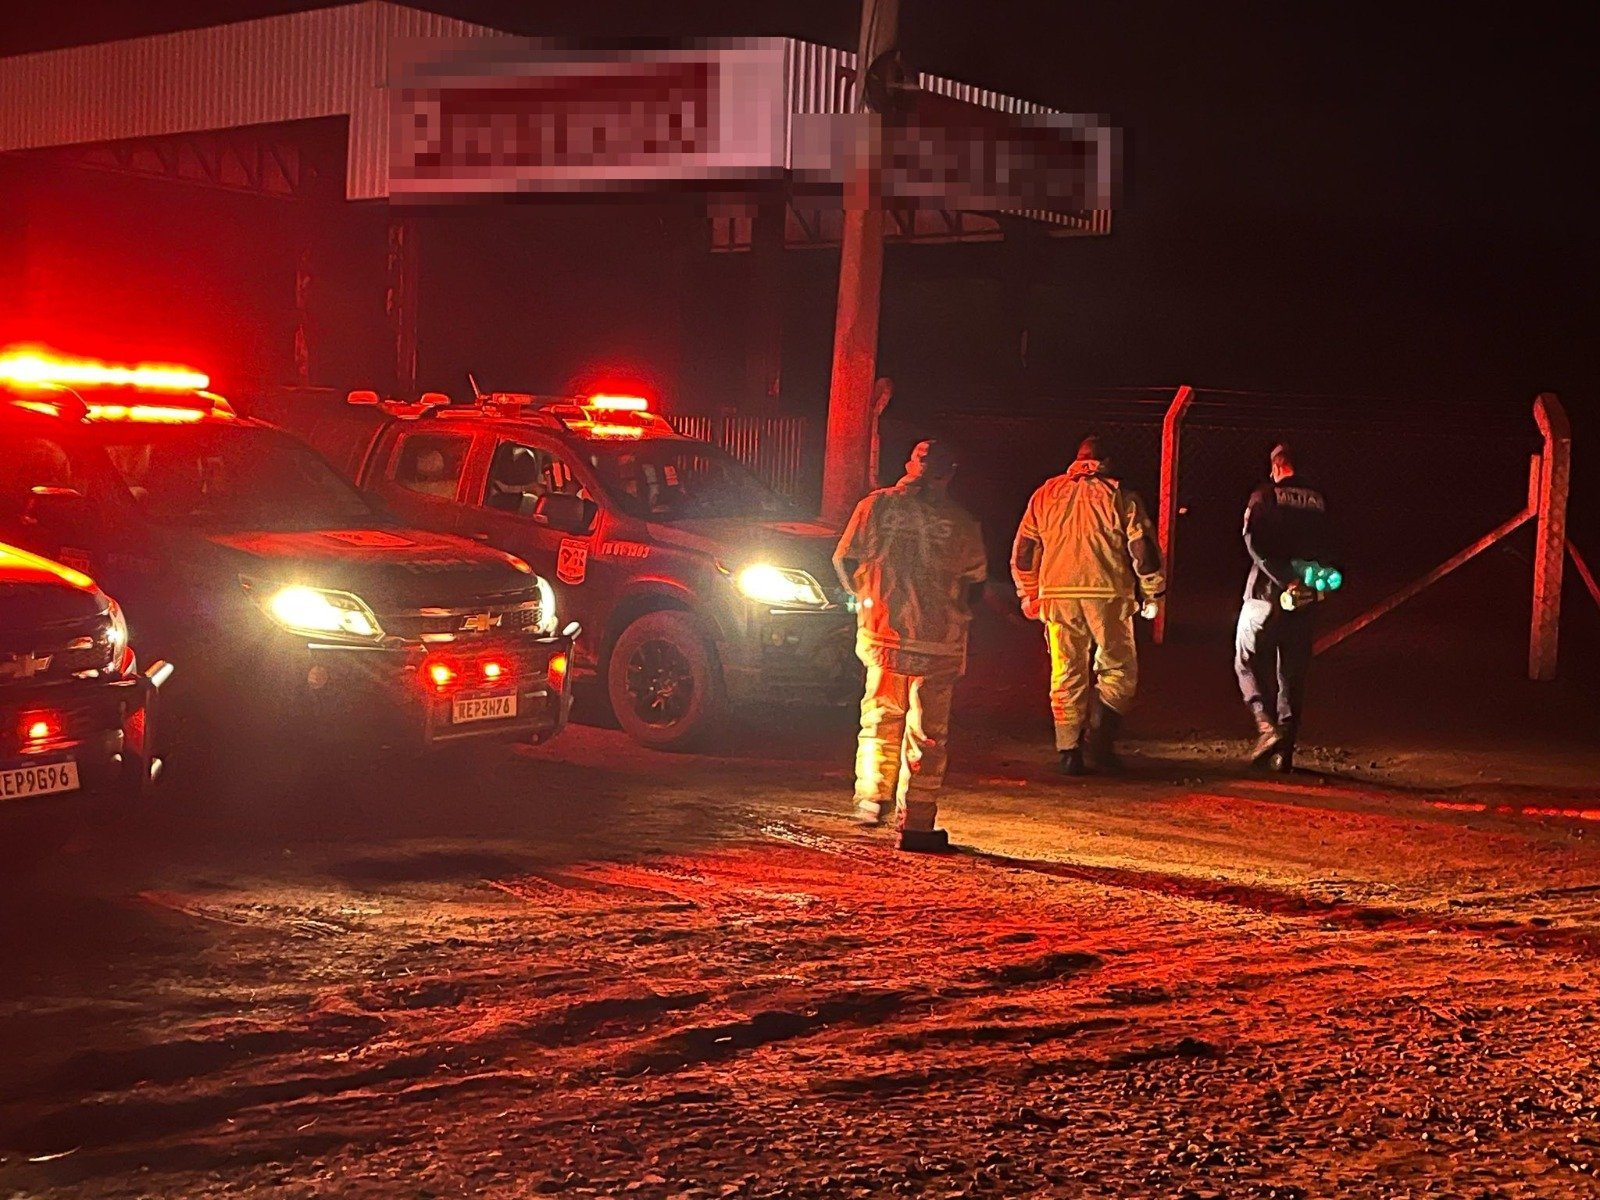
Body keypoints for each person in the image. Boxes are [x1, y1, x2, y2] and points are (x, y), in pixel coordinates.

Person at [833, 440, 988, 852]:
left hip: (883, 633)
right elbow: (975, 581)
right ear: (949, 473)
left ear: (909, 464)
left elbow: (845, 561)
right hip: (939, 641)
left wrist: (866, 604)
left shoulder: (874, 507)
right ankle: (916, 822)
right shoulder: (962, 522)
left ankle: (870, 798)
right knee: (928, 732)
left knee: (879, 715)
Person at [1010, 437, 1164, 775]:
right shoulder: (1120, 494)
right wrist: (1153, 593)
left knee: (1065, 671)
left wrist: (1029, 592)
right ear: (1106, 461)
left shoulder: (1045, 494)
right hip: (1107, 593)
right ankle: (1101, 742)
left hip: (1057, 595)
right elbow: (1143, 552)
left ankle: (1068, 751)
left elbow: (1024, 550)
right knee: (1119, 669)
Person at [1235, 443, 1330, 772]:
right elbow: (1332, 547)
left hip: (1264, 594)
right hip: (1305, 598)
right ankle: (1284, 752)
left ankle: (1265, 726)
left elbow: (1253, 541)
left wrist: (1284, 577)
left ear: (1276, 467)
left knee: (1245, 660)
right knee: (1292, 673)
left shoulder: (1265, 495)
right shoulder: (1319, 500)